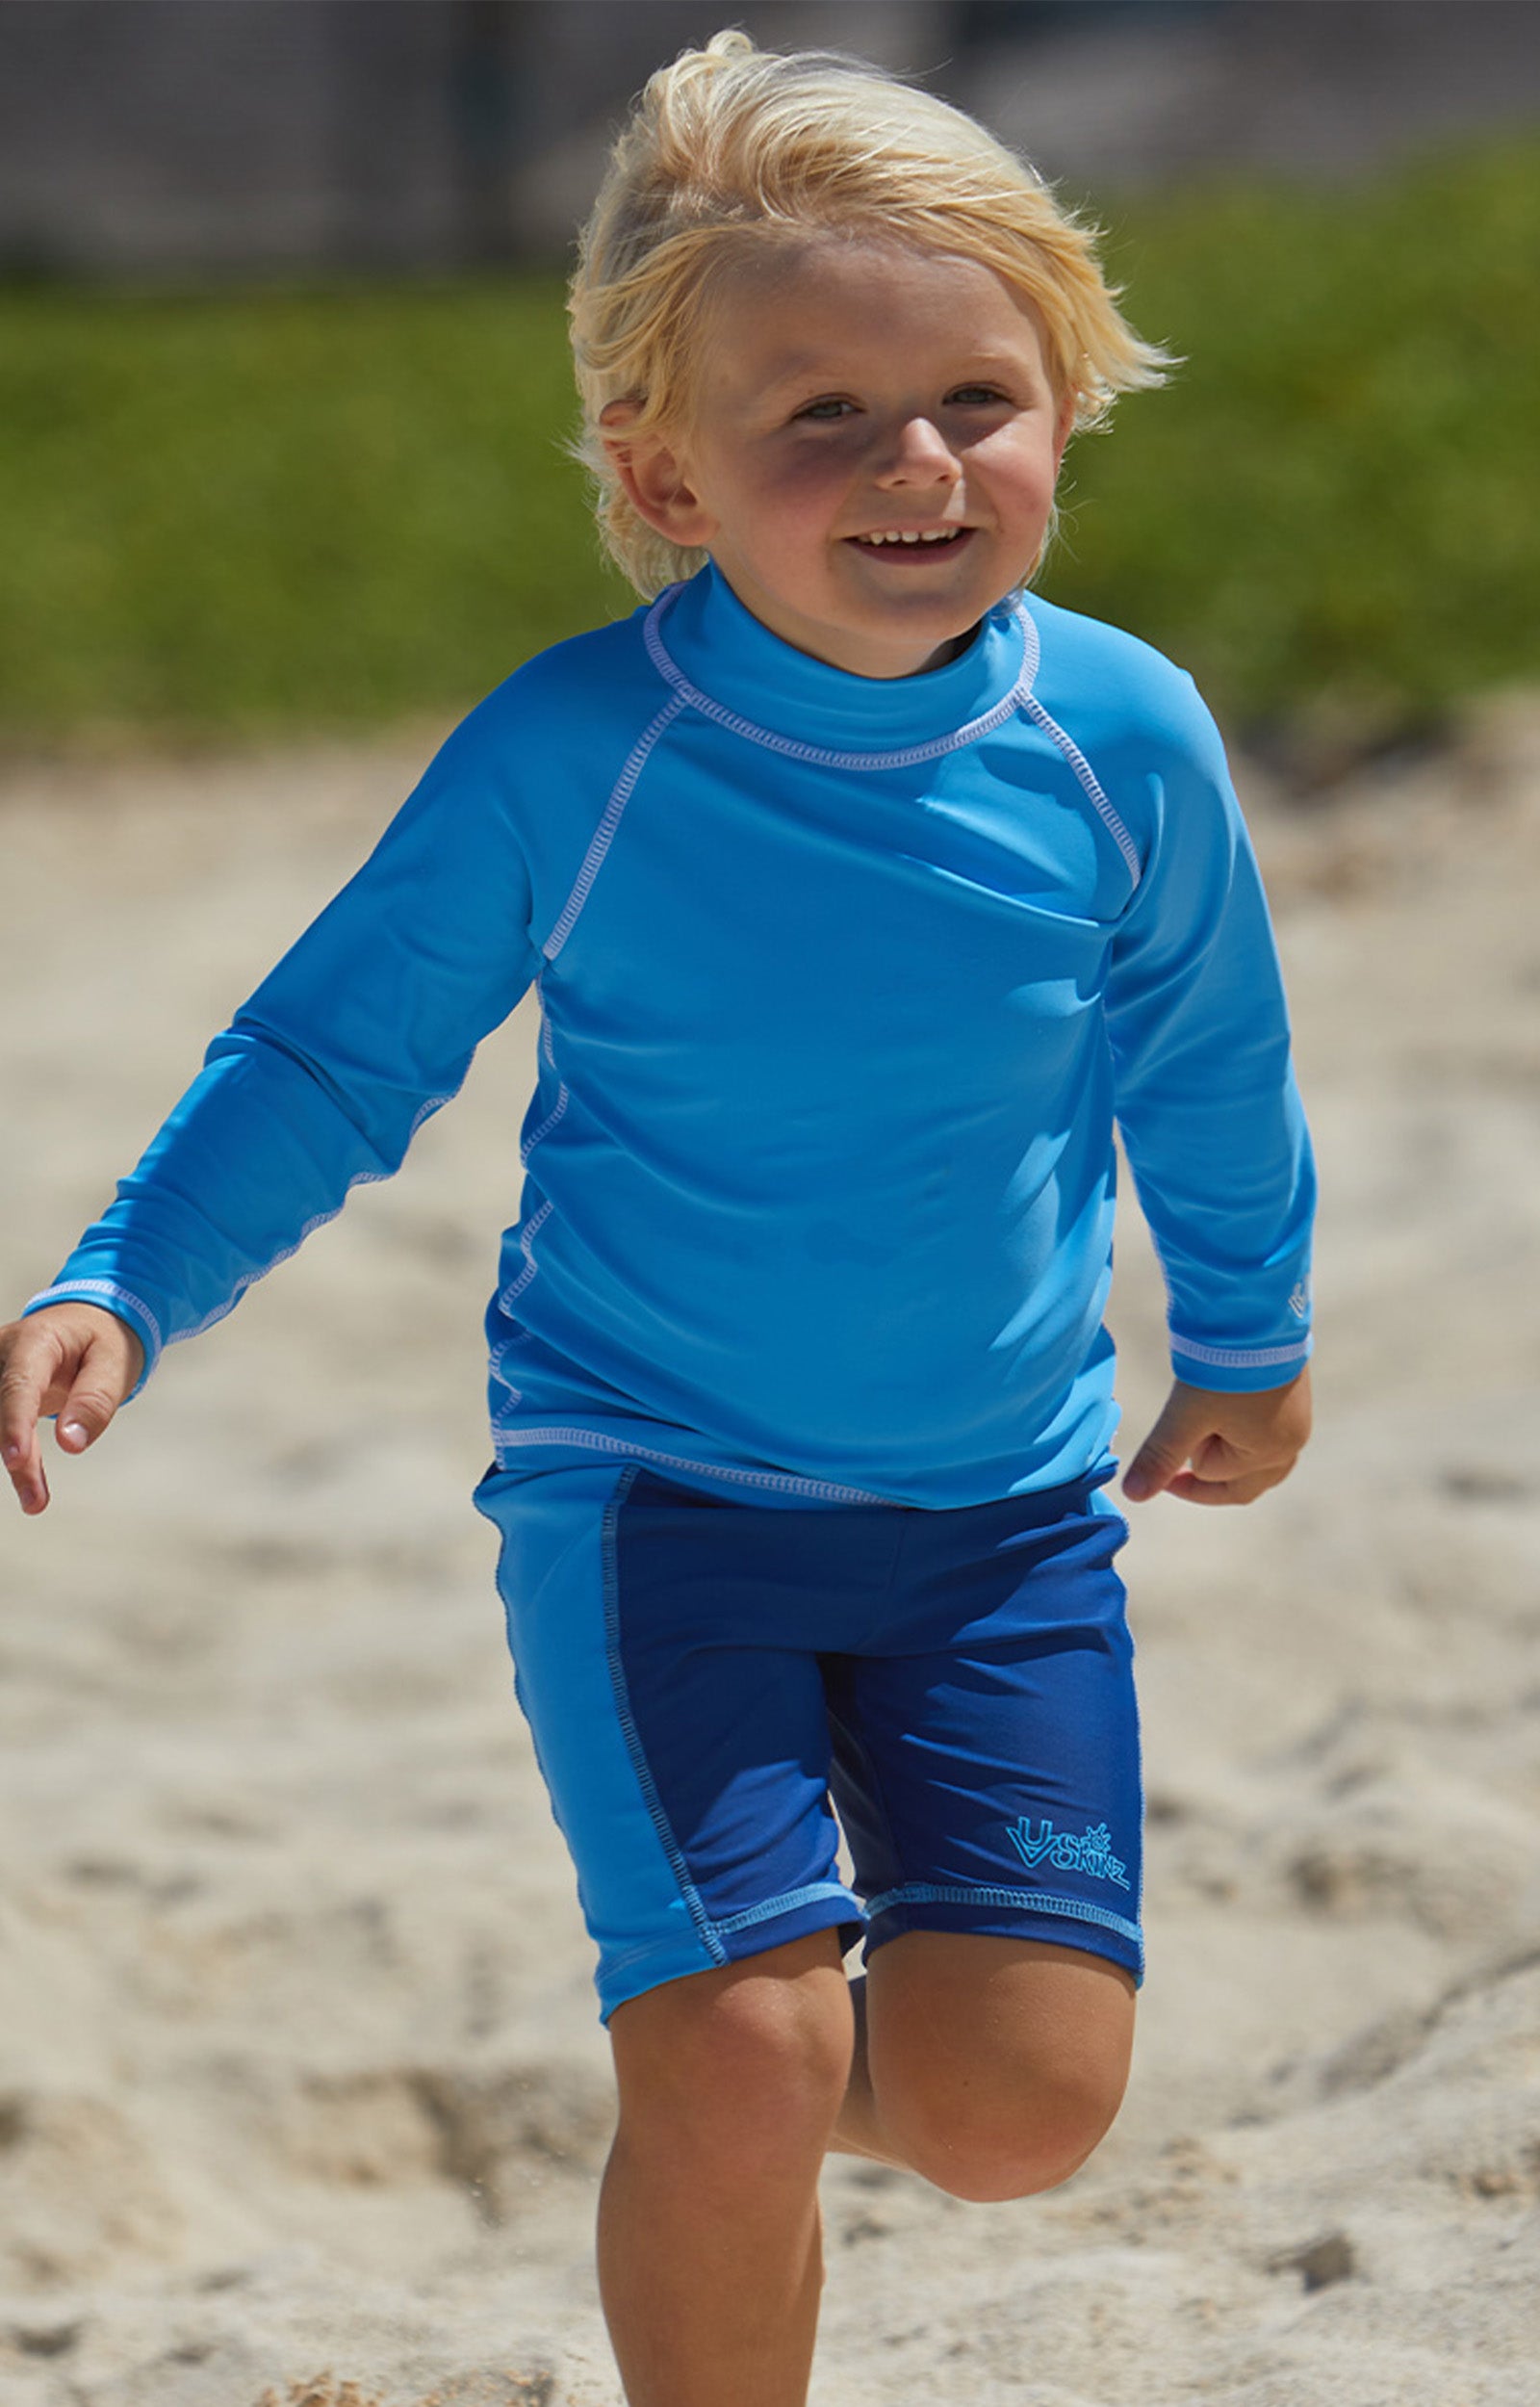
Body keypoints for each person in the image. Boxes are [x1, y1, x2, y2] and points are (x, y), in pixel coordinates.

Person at [0, 31, 1315, 2407]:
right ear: (664, 470)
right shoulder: (574, 753)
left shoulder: (1119, 742)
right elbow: (330, 1051)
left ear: (1057, 407)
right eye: (816, 414)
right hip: (654, 1499)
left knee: (1015, 2111)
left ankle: (811, 2053)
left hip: (999, 1517)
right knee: (729, 2051)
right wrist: (124, 1277)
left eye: (973, 396)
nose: (912, 462)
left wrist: (1244, 1330)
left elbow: (1205, 1057)